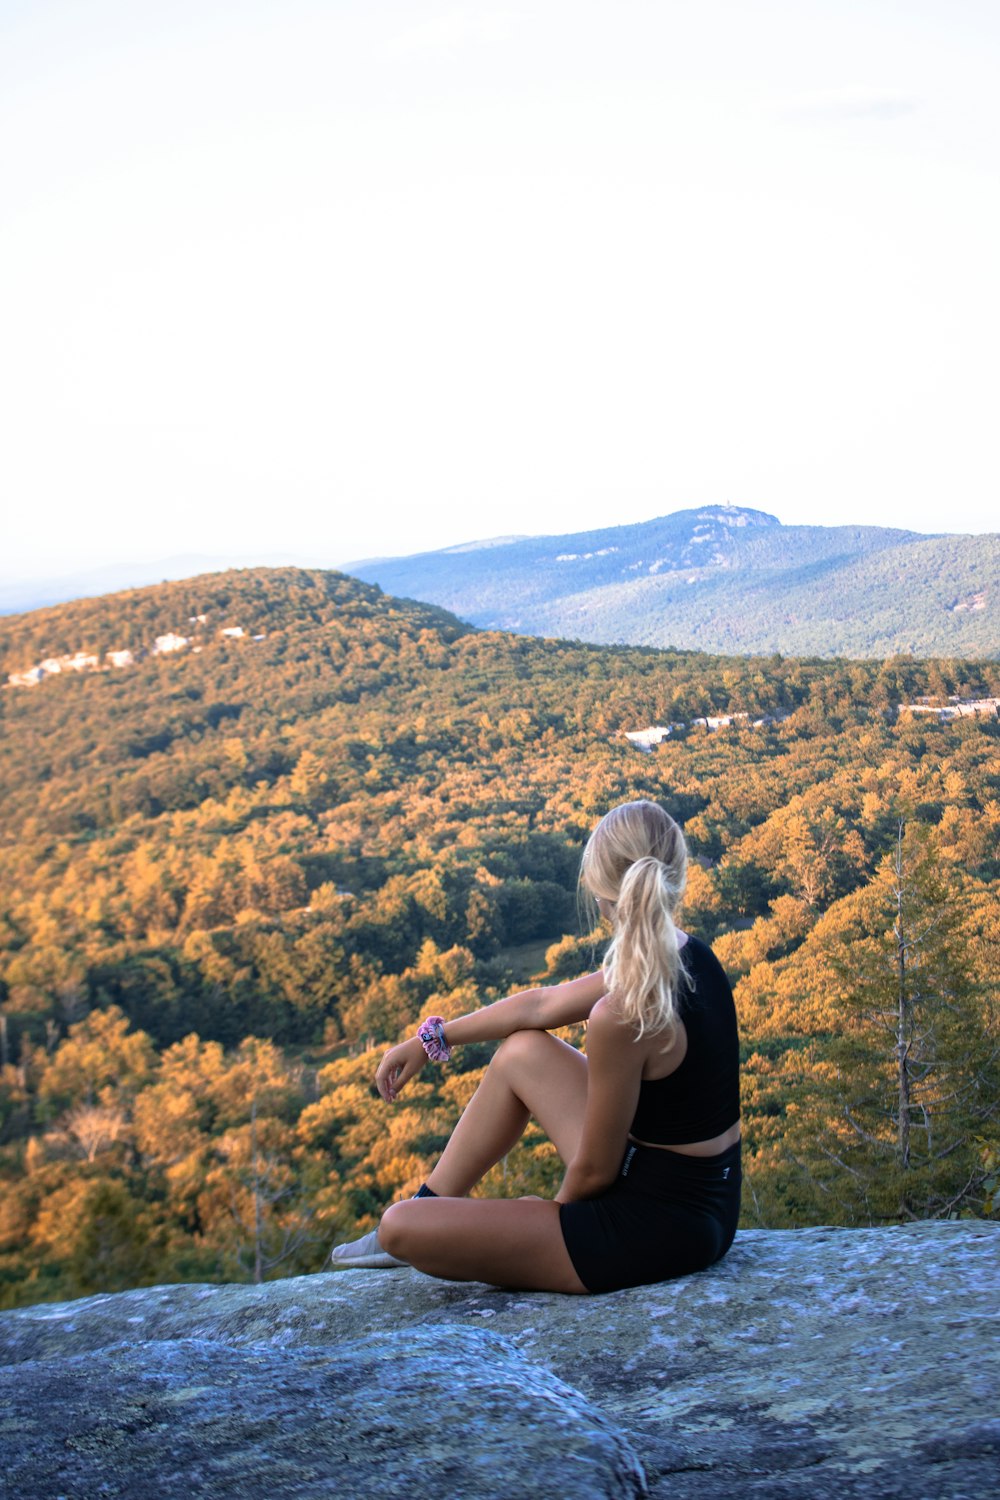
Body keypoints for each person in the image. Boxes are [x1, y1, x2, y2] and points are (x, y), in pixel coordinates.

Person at [330, 799, 741, 1294]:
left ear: (604, 893)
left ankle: (410, 1222)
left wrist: (551, 1219)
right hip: (709, 1201)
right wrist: (433, 1037)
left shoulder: (619, 1014)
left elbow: (594, 1172)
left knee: (401, 1228)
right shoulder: (685, 954)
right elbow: (540, 1007)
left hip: (654, 1230)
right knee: (522, 1051)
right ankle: (431, 1196)